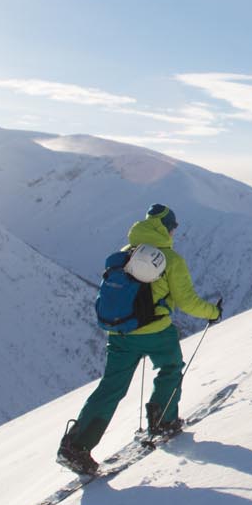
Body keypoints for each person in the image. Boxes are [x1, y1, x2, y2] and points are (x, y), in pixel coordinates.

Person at [57, 203, 223, 474]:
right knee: (169, 368)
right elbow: (187, 301)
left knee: (111, 388)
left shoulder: (125, 254)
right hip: (157, 332)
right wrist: (213, 312)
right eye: (174, 227)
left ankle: (75, 446)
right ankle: (163, 420)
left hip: (120, 333)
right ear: (167, 228)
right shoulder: (170, 260)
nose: (174, 232)